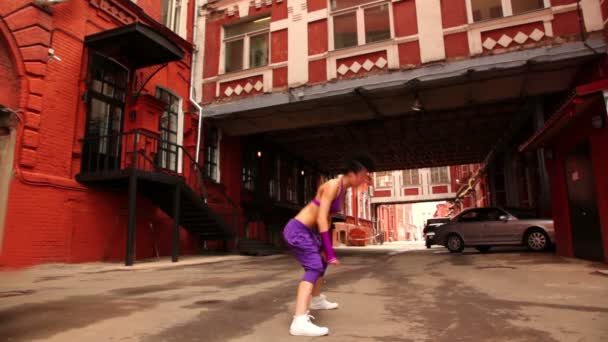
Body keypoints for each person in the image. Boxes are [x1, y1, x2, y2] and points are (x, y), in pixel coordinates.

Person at [283, 153, 375, 336]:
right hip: (297, 229)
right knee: (314, 267)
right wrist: (330, 249)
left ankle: (316, 299)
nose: (366, 179)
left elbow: (328, 217)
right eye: (365, 174)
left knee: (322, 261)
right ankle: (299, 321)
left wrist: (326, 248)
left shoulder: (343, 189)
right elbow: (320, 216)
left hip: (309, 231)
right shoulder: (332, 185)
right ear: (354, 173)